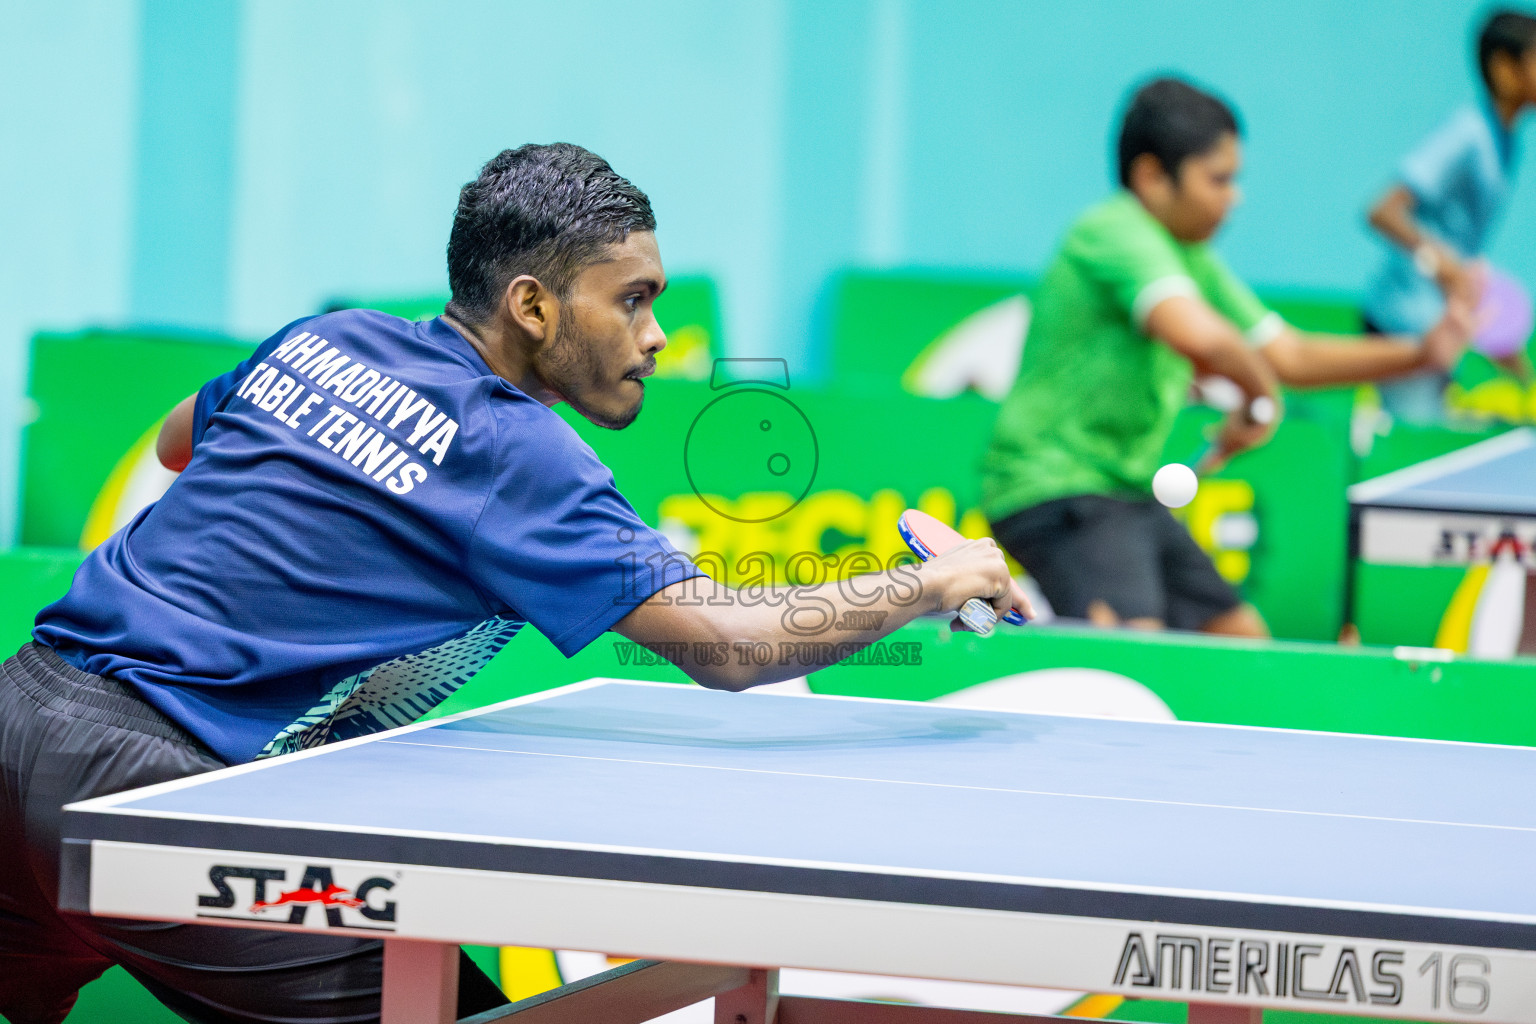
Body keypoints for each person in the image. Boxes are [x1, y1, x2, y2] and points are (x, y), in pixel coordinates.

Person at [0, 143, 1028, 1024]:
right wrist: (929, 580)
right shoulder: (514, 451)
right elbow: (734, 644)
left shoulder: (331, 337)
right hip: (153, 788)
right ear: (534, 306)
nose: (658, 335)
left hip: (17, 712)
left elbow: (182, 439)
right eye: (631, 300)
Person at [982, 77, 1475, 638]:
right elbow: (1199, 336)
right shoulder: (1112, 231)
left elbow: (1289, 353)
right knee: (1130, 659)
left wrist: (1422, 352)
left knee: (1242, 642)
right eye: (1218, 180)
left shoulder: (1190, 257)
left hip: (1124, 490)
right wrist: (1259, 394)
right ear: (1150, 177)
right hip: (1053, 486)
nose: (1234, 196)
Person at [1363, 8, 1536, 423]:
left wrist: (1520, 369)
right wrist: (1438, 261)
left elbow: (1460, 258)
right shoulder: (1468, 133)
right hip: (1404, 323)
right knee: (1412, 458)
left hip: (1444, 326)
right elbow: (1383, 211)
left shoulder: (1505, 140)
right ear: (1504, 68)